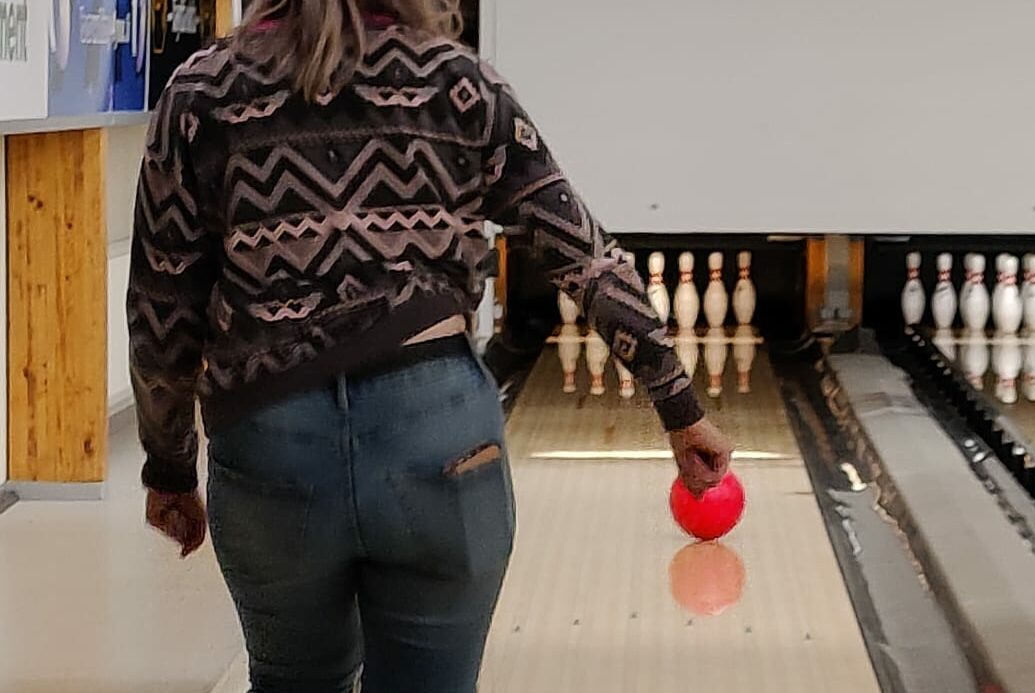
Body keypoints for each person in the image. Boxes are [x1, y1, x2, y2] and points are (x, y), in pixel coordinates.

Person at [126, 0, 733, 690]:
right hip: (436, 432)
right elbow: (584, 259)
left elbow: (161, 309)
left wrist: (169, 467)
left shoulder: (200, 92)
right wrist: (680, 407)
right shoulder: (458, 80)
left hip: (272, 437)